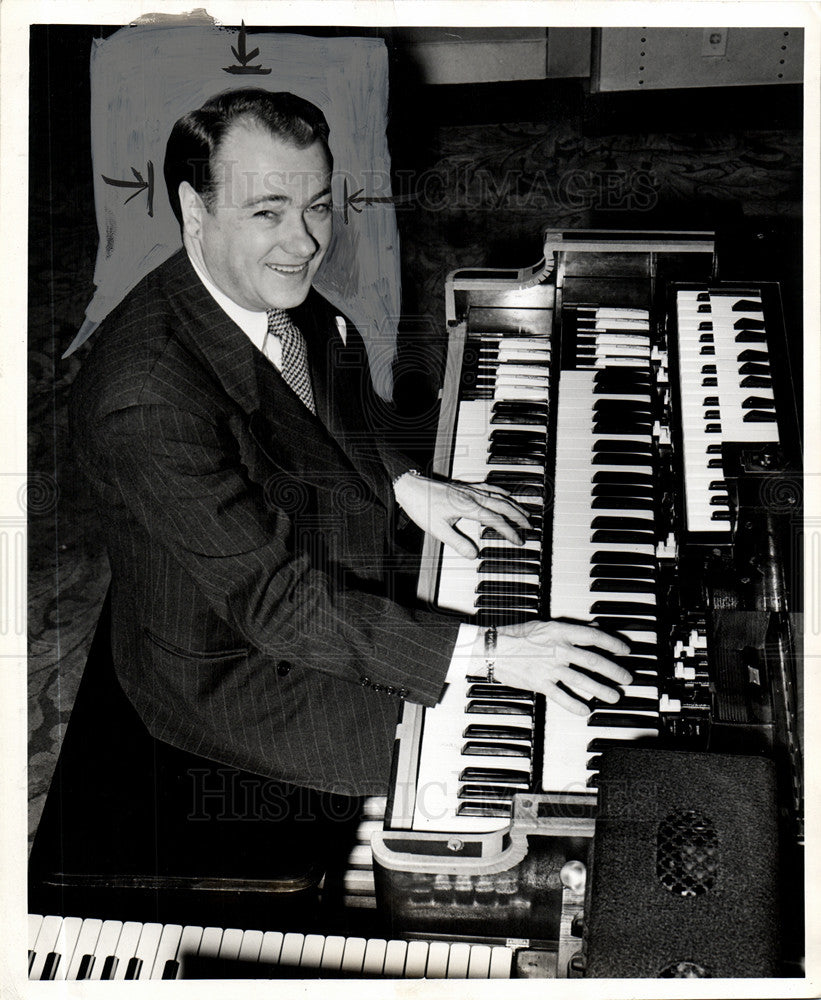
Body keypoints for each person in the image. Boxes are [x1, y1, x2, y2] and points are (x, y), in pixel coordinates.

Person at [69, 88, 630, 803]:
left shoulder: (257, 283)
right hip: (243, 666)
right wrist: (489, 651)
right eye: (267, 211)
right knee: (529, 745)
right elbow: (274, 604)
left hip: (309, 555)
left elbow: (323, 399)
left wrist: (401, 481)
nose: (304, 242)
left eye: (316, 205)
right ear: (193, 209)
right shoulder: (144, 402)